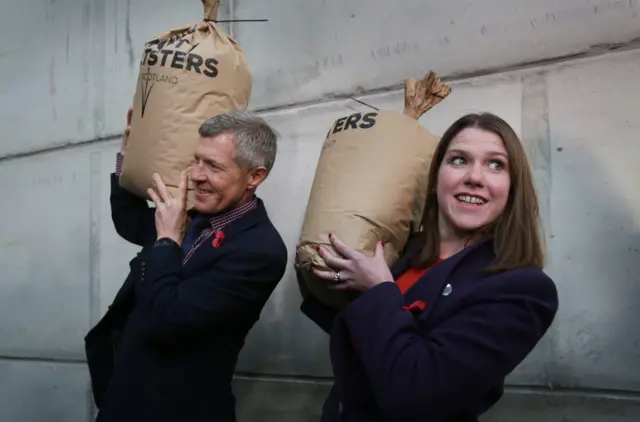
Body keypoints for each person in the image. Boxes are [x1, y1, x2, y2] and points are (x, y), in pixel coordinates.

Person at [297, 112, 559, 422]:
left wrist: (379, 289)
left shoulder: (523, 289)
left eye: (495, 164)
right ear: (435, 179)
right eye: (459, 160)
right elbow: (360, 338)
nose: (475, 177)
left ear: (512, 189)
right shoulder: (401, 252)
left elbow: (417, 395)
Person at [85, 109, 288, 422]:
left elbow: (169, 318)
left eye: (213, 166)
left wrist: (167, 240)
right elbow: (129, 220)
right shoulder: (194, 214)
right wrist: (129, 153)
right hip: (123, 400)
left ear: (254, 176)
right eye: (197, 160)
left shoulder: (260, 251)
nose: (196, 175)